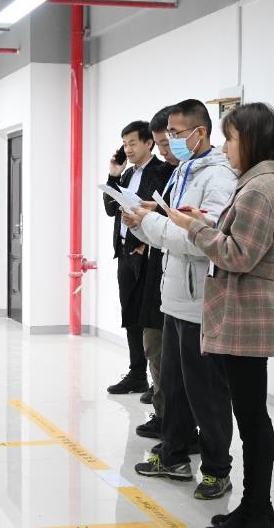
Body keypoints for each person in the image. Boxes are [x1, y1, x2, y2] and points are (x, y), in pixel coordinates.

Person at [168, 102, 274, 528]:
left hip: (246, 315)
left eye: (230, 138)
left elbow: (239, 256)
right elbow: (239, 241)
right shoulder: (256, 184)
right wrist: (206, 222)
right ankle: (255, 506)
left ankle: (258, 509)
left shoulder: (259, 189)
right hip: (243, 313)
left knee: (252, 417)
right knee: (250, 414)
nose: (224, 147)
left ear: (250, 139)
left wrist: (194, 228)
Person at [125, 99, 237, 500]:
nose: (169, 141)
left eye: (175, 133)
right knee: (172, 387)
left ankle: (217, 470)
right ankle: (173, 455)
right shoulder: (183, 171)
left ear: (200, 132)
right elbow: (168, 234)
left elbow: (201, 239)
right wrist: (140, 224)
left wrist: (153, 221)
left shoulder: (219, 178)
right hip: (173, 298)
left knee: (205, 394)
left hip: (200, 303)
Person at [102, 121, 163, 395]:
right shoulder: (127, 174)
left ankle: (158, 382)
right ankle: (137, 374)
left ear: (149, 143)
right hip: (126, 253)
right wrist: (113, 175)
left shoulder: (162, 171)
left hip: (148, 254)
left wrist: (144, 242)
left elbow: (163, 212)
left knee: (149, 317)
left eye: (132, 143)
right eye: (125, 144)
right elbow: (110, 209)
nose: (127, 149)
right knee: (130, 314)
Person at [135, 107, 178, 440]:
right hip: (159, 271)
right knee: (154, 346)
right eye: (161, 144)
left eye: (167, 142)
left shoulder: (191, 175)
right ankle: (166, 417)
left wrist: (154, 217)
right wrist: (142, 221)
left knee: (171, 357)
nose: (164, 151)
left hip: (181, 282)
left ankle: (176, 426)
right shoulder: (171, 174)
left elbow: (187, 230)